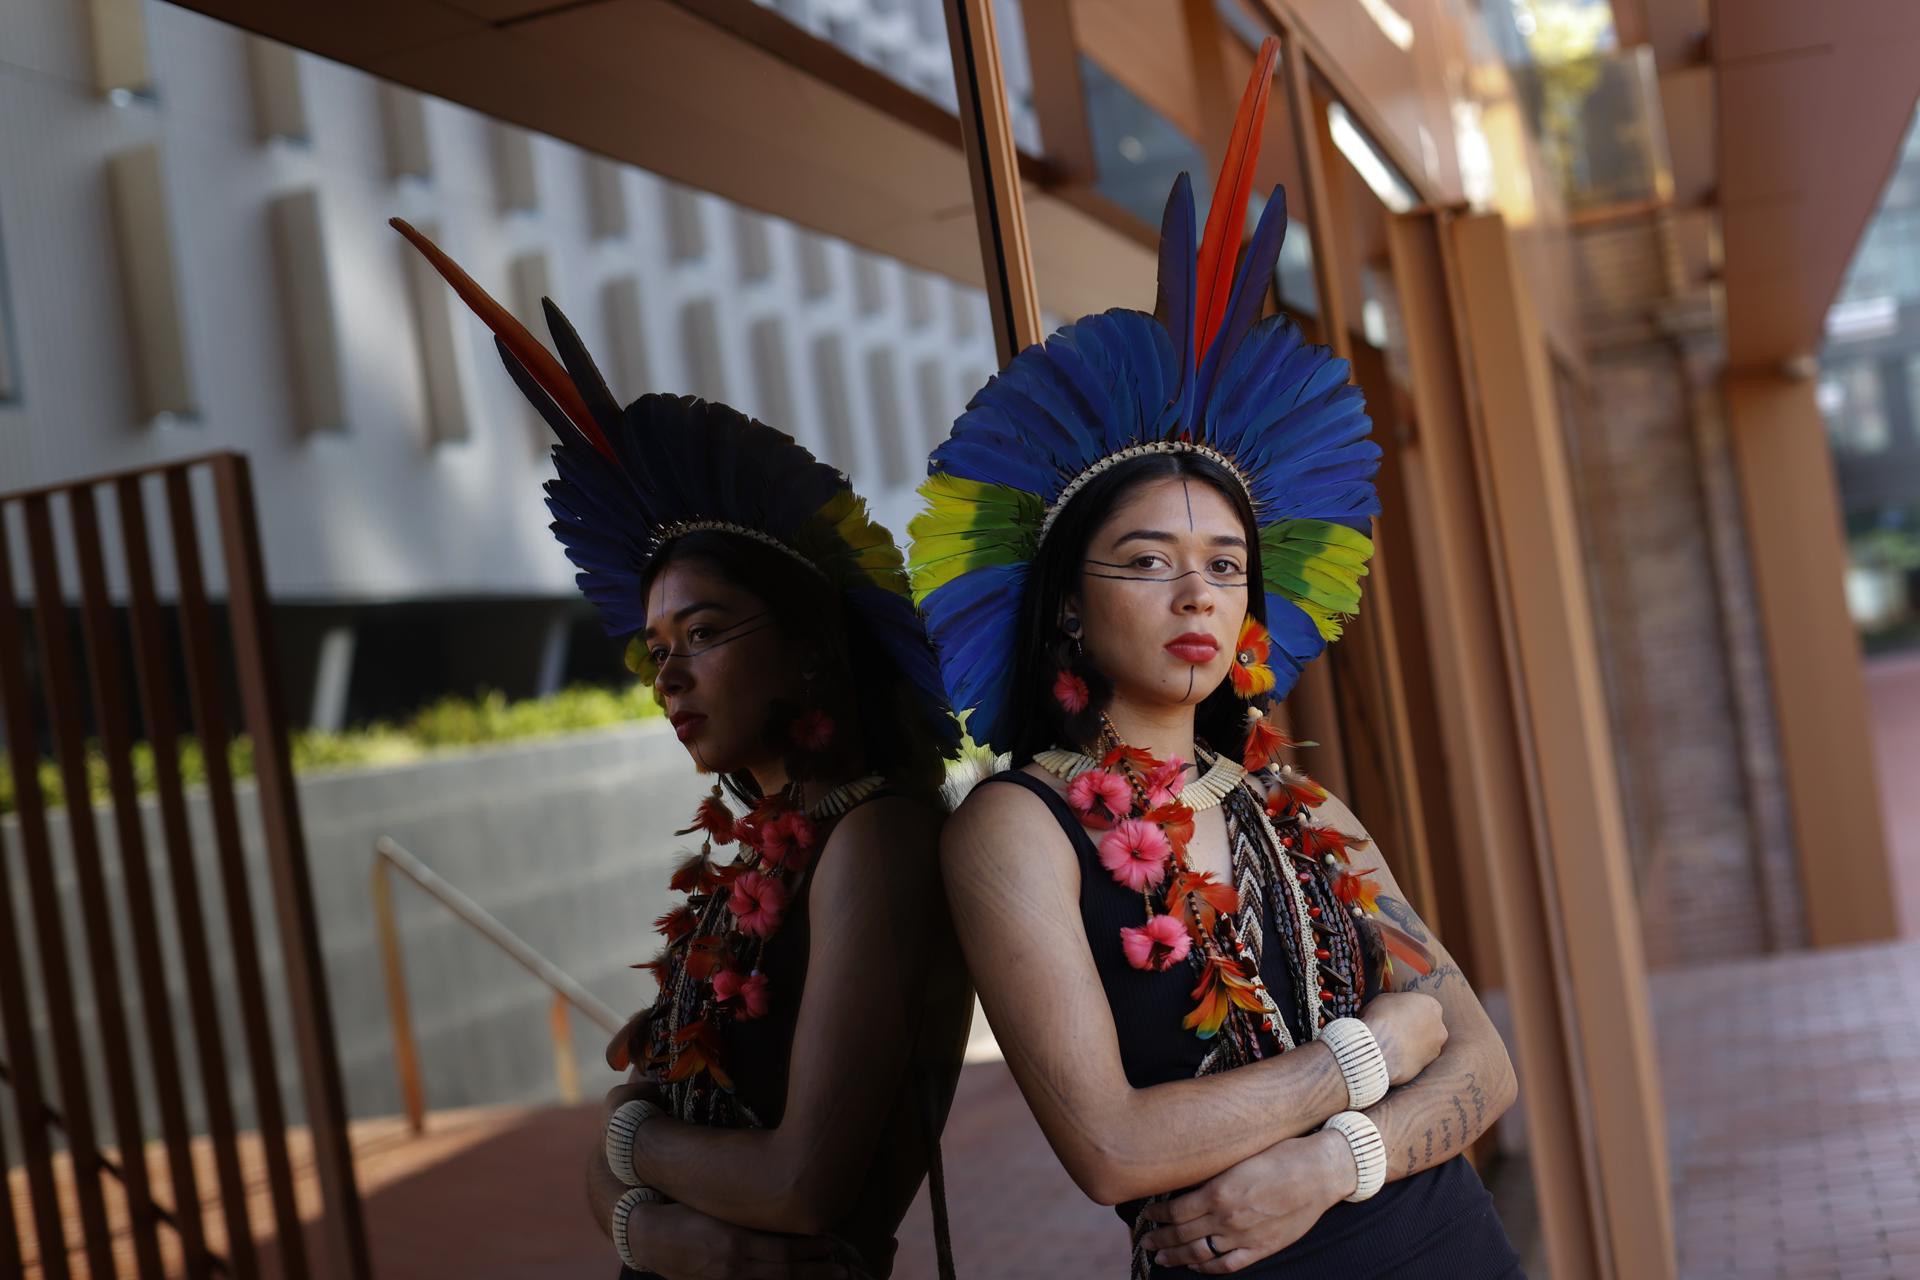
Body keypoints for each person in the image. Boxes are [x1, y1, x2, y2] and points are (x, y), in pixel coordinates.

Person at [906, 38, 1522, 1278]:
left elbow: (1487, 1062)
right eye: (1145, 559)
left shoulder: (1305, 812)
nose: (1198, 590)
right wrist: (1370, 1051)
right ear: (1068, 607)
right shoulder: (1015, 831)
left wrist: (1328, 1162)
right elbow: (1113, 1145)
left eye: (1228, 563)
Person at [395, 220, 972, 1280]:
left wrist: (624, 1142)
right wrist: (644, 1218)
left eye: (703, 634)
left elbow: (800, 1184)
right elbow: (649, 1132)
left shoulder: (879, 834)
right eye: (655, 647)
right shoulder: (769, 850)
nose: (667, 676)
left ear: (807, 652)